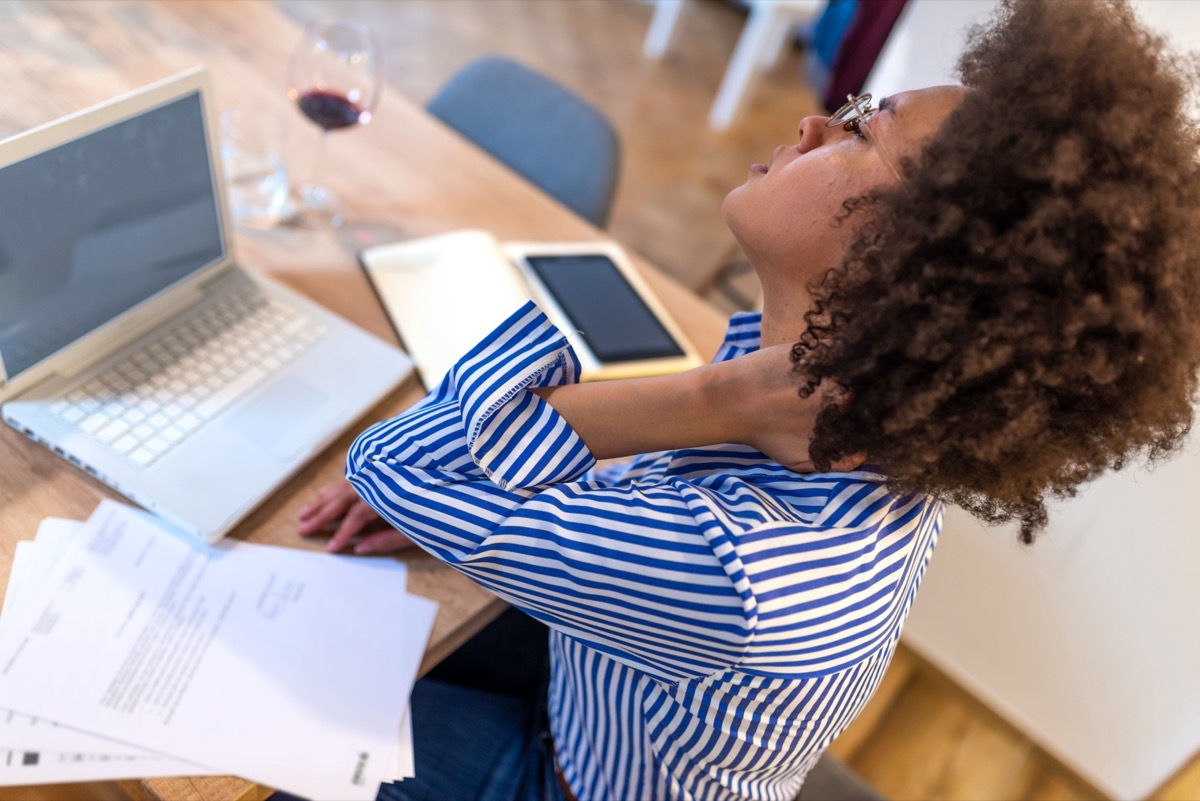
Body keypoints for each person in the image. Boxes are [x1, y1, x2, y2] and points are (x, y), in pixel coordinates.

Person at [297, 1, 1200, 799]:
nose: (811, 124)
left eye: (859, 130)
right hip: (589, 676)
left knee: (279, 709)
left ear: (906, 270)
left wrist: (713, 394)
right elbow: (539, 489)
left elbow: (386, 466)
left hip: (558, 775)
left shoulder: (750, 571)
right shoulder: (831, 410)